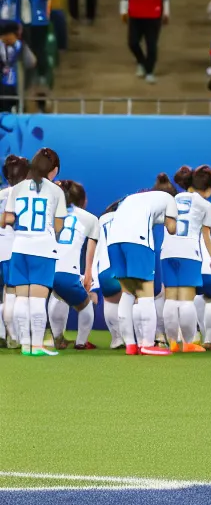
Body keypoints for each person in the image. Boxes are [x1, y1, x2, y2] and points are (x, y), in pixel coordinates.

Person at [3, 147, 64, 356]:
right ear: (53, 170)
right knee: (38, 300)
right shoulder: (56, 191)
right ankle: (37, 345)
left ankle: (25, 344)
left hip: (19, 247)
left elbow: (8, 219)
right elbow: (58, 225)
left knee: (21, 298)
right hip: (43, 248)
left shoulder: (17, 189)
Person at [107, 174, 176, 355]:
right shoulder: (170, 199)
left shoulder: (132, 198)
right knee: (146, 295)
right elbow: (172, 228)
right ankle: (147, 343)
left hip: (113, 242)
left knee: (128, 293)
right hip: (138, 243)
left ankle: (130, 344)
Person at [161, 164, 211, 353]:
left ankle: (173, 342)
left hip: (167, 251)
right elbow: (207, 237)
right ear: (208, 189)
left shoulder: (172, 199)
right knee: (186, 301)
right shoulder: (205, 204)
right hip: (189, 253)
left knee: (170, 299)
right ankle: (188, 343)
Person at [49, 180, 98, 351]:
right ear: (83, 200)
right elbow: (90, 252)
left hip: (48, 268)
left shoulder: (53, 214)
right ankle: (81, 342)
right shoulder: (90, 219)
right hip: (68, 271)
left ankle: (58, 339)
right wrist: (88, 274)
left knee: (57, 296)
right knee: (85, 305)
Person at [0, 152, 27, 348]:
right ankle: (14, 337)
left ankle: (4, 334)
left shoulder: (1, 194)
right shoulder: (24, 194)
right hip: (12, 250)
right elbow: (9, 219)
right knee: (13, 294)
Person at [92, 202, 124, 348]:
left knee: (111, 301)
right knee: (135, 300)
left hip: (105, 268)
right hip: (125, 267)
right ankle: (139, 339)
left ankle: (116, 338)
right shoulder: (129, 217)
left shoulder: (100, 221)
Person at [121, 0, 169, 84]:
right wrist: (123, 11)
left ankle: (149, 72)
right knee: (133, 43)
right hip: (135, 16)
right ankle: (141, 62)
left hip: (153, 17)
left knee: (151, 45)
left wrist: (166, 13)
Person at [0, 20, 35, 113]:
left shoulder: (21, 47)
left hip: (16, 88)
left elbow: (32, 62)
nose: (5, 38)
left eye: (7, 35)